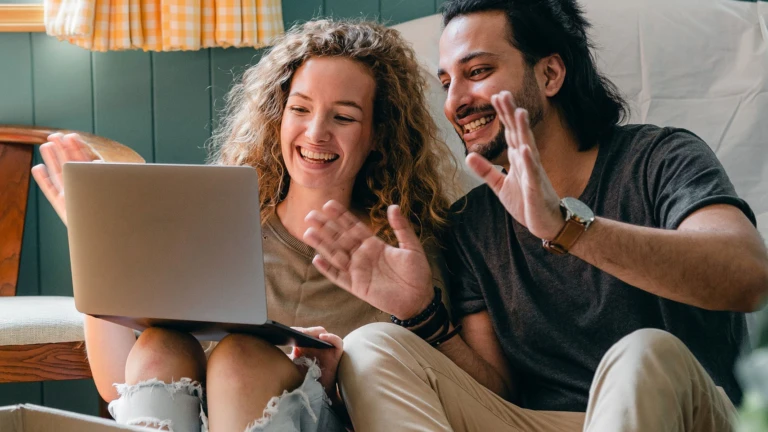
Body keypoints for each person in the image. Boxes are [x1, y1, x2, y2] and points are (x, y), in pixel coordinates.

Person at [301, 1, 768, 431]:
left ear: (549, 74)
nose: (455, 102)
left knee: (642, 353)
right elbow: (496, 390)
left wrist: (568, 229)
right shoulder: (472, 223)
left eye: (477, 71)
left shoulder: (659, 158)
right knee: (372, 346)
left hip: (685, 414)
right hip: (546, 422)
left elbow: (748, 278)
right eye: (447, 83)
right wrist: (422, 315)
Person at [30, 18, 456, 432]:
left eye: (343, 117)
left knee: (240, 358)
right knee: (160, 344)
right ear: (278, 115)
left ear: (379, 133)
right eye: (300, 109)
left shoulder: (400, 256)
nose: (316, 132)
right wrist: (93, 241)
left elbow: (426, 402)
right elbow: (117, 382)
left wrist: (335, 381)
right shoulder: (220, 226)